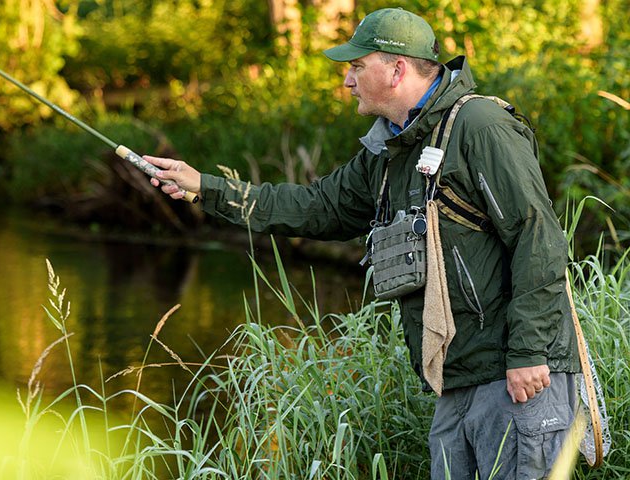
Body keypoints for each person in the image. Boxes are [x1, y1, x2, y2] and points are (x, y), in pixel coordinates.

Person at [144, 7, 580, 479]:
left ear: (397, 69)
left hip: (517, 375)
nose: (347, 81)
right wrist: (204, 187)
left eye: (356, 67)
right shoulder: (389, 151)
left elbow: (538, 236)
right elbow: (314, 207)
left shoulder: (481, 126)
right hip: (458, 379)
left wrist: (530, 353)